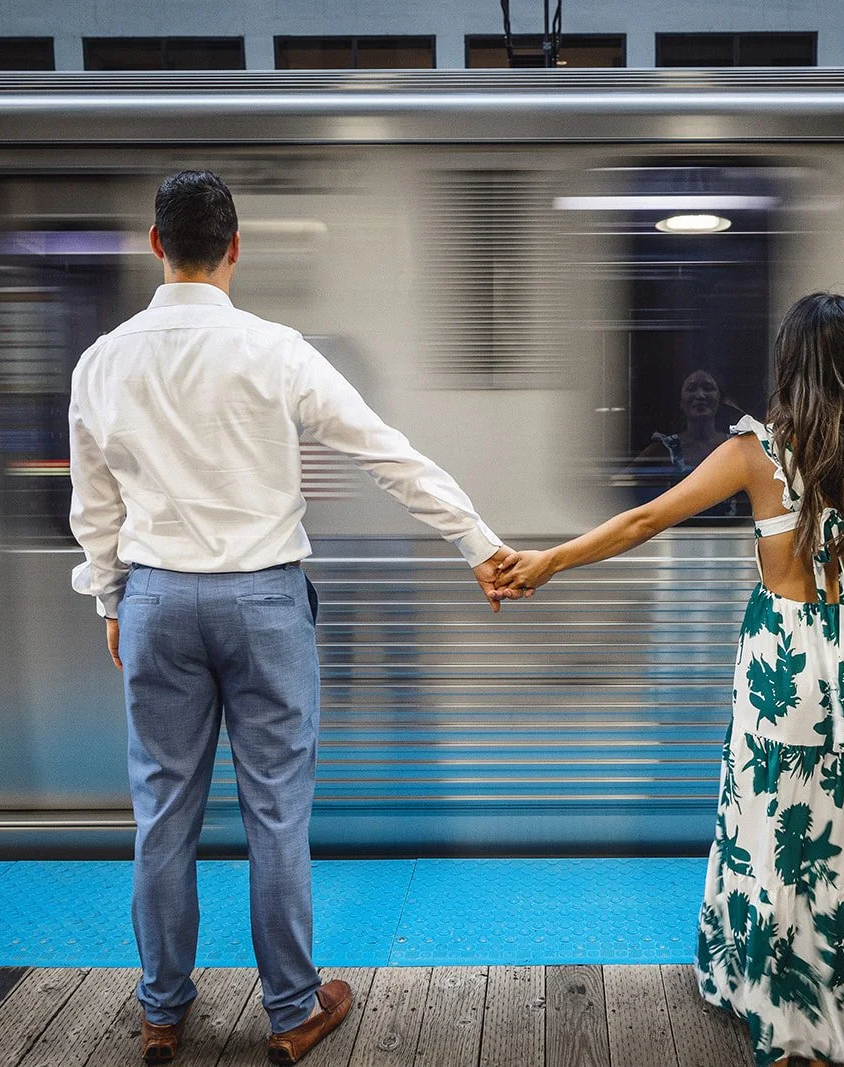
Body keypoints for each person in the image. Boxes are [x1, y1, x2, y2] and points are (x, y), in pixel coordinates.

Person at [68, 171, 524, 1065]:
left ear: (155, 245)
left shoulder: (103, 359)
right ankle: (289, 1008)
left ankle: (163, 1010)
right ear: (236, 249)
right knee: (275, 814)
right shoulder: (276, 351)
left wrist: (111, 596)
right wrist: (479, 543)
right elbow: (384, 452)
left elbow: (93, 505)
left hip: (157, 598)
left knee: (162, 813)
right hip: (264, 602)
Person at [494, 292, 844, 1067]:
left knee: (770, 833)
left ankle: (779, 1015)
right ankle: (842, 1010)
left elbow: (643, 520)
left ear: (788, 364)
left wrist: (547, 562)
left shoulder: (757, 452)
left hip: (782, 663)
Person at [628, 368, 748, 518]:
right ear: (680, 401)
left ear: (720, 399)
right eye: (691, 389)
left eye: (708, 388)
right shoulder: (664, 448)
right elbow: (621, 482)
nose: (700, 395)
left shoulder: (737, 445)